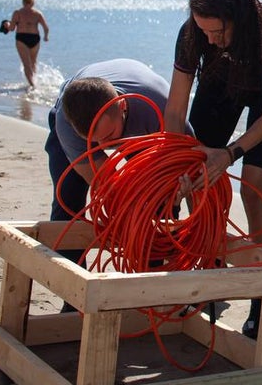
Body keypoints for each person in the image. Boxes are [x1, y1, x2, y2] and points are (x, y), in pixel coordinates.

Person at [164, 0, 262, 339]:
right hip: (220, 84)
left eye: (218, 33)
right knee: (199, 178)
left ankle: (261, 293)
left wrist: (231, 153)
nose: (211, 39)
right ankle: (209, 272)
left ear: (239, 17)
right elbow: (174, 112)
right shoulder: (194, 34)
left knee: (253, 189)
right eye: (204, 32)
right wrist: (177, 163)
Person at [45, 58, 184, 267]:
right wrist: (120, 223)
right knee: (67, 200)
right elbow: (106, 186)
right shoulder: (67, 123)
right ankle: (72, 293)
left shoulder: (161, 109)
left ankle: (154, 282)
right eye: (94, 140)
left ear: (122, 106)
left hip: (141, 121)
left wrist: (177, 191)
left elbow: (187, 163)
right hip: (72, 114)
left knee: (160, 196)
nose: (103, 145)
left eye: (108, 135)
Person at [10, 0, 49, 87]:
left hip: (22, 38)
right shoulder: (38, 13)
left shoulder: (17, 13)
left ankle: (32, 85)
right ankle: (34, 82)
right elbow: (46, 28)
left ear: (23, 2)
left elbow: (11, 28)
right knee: (33, 62)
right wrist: (46, 37)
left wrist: (7, 25)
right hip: (35, 38)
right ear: (32, 2)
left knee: (26, 64)